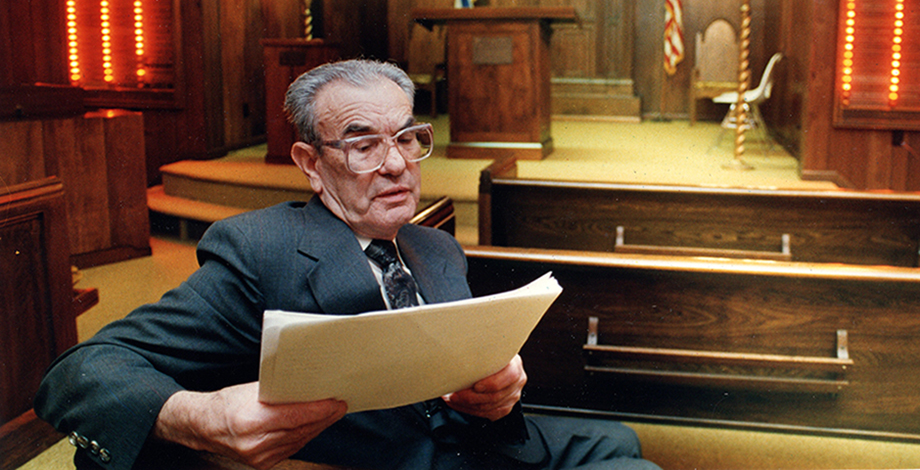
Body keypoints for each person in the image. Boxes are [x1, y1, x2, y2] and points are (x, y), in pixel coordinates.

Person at [35, 59, 659, 470]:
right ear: (310, 162)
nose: (396, 165)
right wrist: (199, 417)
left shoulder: (436, 246)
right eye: (364, 145)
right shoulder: (260, 250)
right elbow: (79, 374)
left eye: (408, 138)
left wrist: (496, 394)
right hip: (390, 459)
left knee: (622, 442)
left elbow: (461, 379)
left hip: (472, 439)